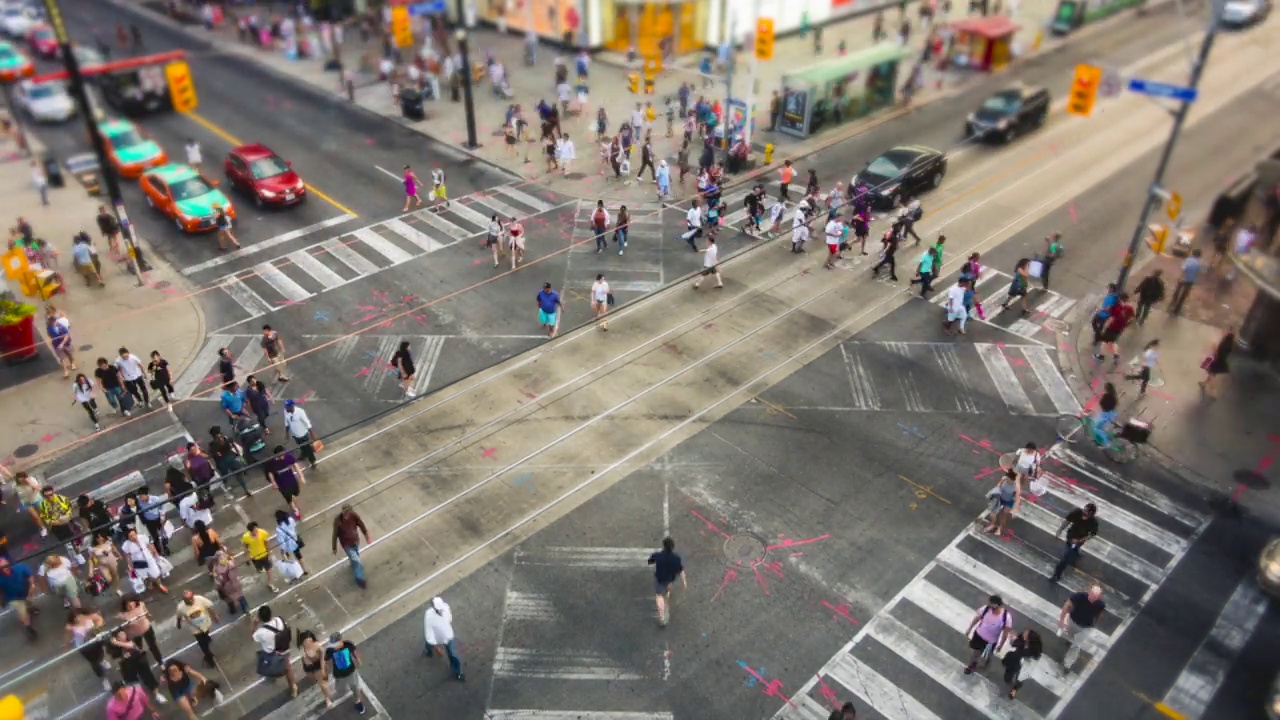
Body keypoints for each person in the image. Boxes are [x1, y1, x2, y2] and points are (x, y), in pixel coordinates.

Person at [252, 606, 299, 696]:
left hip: (271, 654)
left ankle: (272, 676)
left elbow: (253, 637)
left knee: (266, 664)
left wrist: (254, 624)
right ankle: (293, 687)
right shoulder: (279, 620)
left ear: (260, 618)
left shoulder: (261, 632)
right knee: (288, 669)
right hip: (284, 649)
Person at [963, 595, 1013, 674]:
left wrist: (1001, 645)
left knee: (986, 656)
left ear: (999, 605)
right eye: (990, 605)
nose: (991, 608)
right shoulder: (986, 609)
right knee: (975, 652)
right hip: (978, 635)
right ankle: (972, 665)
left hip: (990, 642)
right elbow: (977, 618)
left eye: (993, 607)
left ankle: (985, 663)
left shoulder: (1006, 617)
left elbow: (1005, 634)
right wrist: (969, 629)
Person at [1050, 502, 1099, 582]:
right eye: (1084, 512)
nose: (1084, 515)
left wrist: (1080, 540)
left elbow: (1092, 534)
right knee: (1065, 558)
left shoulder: (1093, 522)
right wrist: (1060, 530)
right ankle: (1057, 575)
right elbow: (1067, 521)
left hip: (1080, 539)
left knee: (1073, 549)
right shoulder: (1077, 513)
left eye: (1087, 515)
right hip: (1071, 537)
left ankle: (1076, 549)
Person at [1058, 585, 1105, 666]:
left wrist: (1094, 624)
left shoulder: (1100, 604)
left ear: (1099, 597)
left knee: (1076, 646)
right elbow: (1067, 604)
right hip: (1073, 621)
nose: (1092, 599)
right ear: (1089, 592)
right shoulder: (1080, 596)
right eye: (1092, 595)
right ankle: (1070, 640)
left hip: (1086, 628)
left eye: (1095, 597)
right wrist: (1062, 620)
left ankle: (1067, 664)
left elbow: (1098, 614)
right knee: (1070, 635)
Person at [67, 607, 112, 691]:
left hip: (95, 641)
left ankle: (102, 661)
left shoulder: (89, 619)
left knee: (101, 653)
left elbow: (99, 620)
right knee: (95, 664)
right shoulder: (73, 627)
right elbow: (70, 637)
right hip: (85, 647)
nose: (78, 618)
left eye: (80, 616)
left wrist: (96, 626)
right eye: (75, 617)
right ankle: (104, 679)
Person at [423, 596, 465, 681]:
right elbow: (429, 632)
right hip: (437, 636)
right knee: (429, 643)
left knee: (453, 654)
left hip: (448, 636)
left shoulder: (445, 608)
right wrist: (436, 646)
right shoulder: (429, 616)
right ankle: (428, 650)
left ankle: (458, 672)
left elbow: (449, 618)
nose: (440, 611)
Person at [647, 537, 686, 626]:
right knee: (667, 591)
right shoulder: (676, 558)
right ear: (673, 547)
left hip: (659, 579)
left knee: (659, 595)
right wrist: (684, 582)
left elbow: (650, 561)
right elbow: (680, 571)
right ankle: (667, 596)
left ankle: (662, 615)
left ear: (664, 546)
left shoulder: (658, 555)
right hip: (669, 580)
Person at [175, 589, 220, 667]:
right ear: (184, 600)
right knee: (203, 644)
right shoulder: (181, 608)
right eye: (189, 599)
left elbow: (209, 606)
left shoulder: (199, 599)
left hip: (205, 623)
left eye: (192, 598)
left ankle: (207, 639)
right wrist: (178, 624)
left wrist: (215, 616)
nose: (192, 600)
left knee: (206, 634)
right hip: (195, 629)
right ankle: (209, 658)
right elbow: (179, 616)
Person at [325, 631, 366, 712]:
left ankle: (358, 700)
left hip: (351, 672)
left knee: (355, 687)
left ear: (340, 641)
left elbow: (354, 652)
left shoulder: (348, 644)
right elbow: (327, 660)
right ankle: (344, 691)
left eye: (335, 645)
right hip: (339, 675)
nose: (334, 647)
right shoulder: (330, 650)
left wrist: (358, 660)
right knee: (340, 689)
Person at [0, 556, 39, 641]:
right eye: (2, 567)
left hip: (27, 592)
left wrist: (32, 585)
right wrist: (1, 600)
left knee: (29, 602)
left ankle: (30, 607)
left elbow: (30, 575)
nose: (5, 568)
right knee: (23, 613)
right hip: (13, 598)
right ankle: (29, 628)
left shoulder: (19, 567)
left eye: (5, 565)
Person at [332, 504, 371, 589]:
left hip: (355, 541)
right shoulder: (337, 521)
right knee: (357, 561)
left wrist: (366, 535)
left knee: (356, 556)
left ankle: (353, 564)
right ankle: (360, 579)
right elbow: (335, 534)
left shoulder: (354, 515)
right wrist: (334, 547)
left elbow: (361, 524)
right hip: (347, 544)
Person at [119, 595, 165, 666]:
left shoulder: (140, 605)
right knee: (138, 647)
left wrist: (147, 613)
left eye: (132, 603)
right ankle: (141, 654)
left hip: (146, 628)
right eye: (128, 605)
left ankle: (160, 662)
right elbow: (124, 627)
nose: (131, 606)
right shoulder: (123, 615)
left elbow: (145, 610)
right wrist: (127, 637)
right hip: (135, 634)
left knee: (152, 645)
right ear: (125, 606)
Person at [1002, 629, 1043, 699]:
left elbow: (1027, 656)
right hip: (1015, 662)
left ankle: (1014, 690)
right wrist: (1013, 639)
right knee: (1009, 675)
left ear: (1028, 639)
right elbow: (1014, 644)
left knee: (1019, 679)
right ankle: (1009, 681)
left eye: (1026, 634)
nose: (1024, 633)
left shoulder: (1032, 650)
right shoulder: (1021, 639)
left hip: (1024, 666)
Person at [298, 630, 333, 708]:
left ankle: (327, 697)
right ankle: (327, 697)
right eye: (305, 642)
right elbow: (307, 667)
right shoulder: (303, 652)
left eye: (309, 641)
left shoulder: (316, 645)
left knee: (323, 683)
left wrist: (322, 668)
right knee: (322, 684)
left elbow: (322, 657)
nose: (307, 643)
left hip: (319, 664)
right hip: (312, 667)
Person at [242, 521, 278, 593]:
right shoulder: (246, 537)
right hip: (255, 557)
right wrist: (246, 557)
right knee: (259, 568)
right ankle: (259, 569)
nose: (257, 531)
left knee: (269, 570)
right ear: (250, 531)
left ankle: (270, 583)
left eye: (257, 529)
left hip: (264, 555)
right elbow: (246, 546)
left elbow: (266, 543)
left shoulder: (263, 533)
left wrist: (269, 553)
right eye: (255, 530)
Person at [211, 548, 247, 616]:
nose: (222, 558)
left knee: (237, 596)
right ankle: (241, 608)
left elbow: (216, 578)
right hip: (229, 586)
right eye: (221, 557)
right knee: (236, 596)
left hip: (230, 584)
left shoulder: (217, 567)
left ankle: (237, 608)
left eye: (223, 556)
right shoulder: (227, 564)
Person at [283, 399, 318, 469]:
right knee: (301, 446)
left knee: (308, 448)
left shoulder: (300, 412)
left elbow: (307, 423)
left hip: (303, 435)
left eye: (287, 407)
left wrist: (312, 434)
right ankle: (304, 455)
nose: (285, 408)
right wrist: (287, 434)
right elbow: (286, 422)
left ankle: (313, 461)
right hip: (295, 435)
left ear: (292, 406)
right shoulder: (286, 412)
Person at [1200, 329, 1234, 397]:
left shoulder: (1224, 344)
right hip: (1220, 361)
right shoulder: (1229, 345)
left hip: (1216, 361)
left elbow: (1218, 352)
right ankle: (1204, 384)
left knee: (1212, 375)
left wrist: (1214, 348)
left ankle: (1213, 391)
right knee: (1212, 373)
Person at [1169, 249, 1202, 315]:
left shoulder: (1188, 260)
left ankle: (1173, 302)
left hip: (1184, 278)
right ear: (1199, 256)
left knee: (1177, 290)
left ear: (1193, 253)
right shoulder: (1199, 263)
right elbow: (1198, 272)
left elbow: (1183, 269)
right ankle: (1177, 309)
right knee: (1184, 294)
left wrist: (1180, 277)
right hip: (1191, 280)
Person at [276, 509, 308, 575]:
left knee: (287, 558)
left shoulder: (279, 528)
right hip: (294, 540)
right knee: (299, 556)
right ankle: (304, 569)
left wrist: (282, 549)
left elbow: (281, 539)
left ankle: (293, 572)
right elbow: (294, 526)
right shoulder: (290, 519)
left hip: (287, 544)